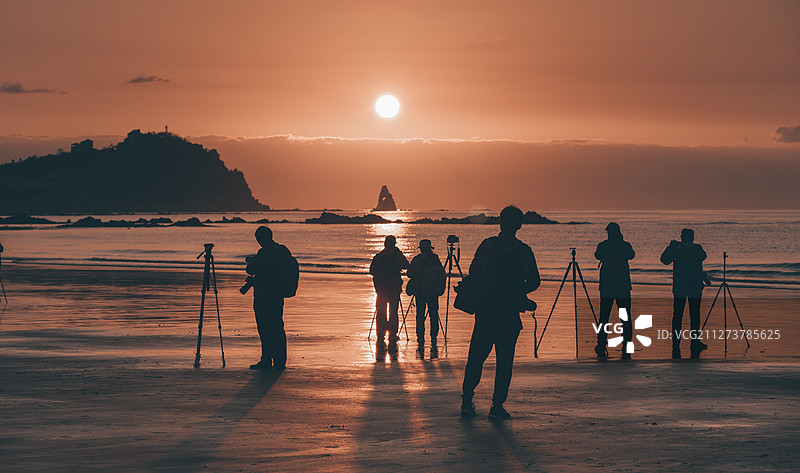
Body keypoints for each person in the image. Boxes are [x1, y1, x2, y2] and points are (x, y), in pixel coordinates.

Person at [461, 205, 540, 420]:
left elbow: (473, 272)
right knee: (505, 361)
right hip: (508, 313)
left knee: (476, 357)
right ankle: (497, 406)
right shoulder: (523, 251)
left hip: (485, 310)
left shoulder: (487, 246)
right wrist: (517, 291)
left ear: (500, 222)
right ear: (519, 226)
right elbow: (535, 281)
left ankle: (467, 401)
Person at [245, 226, 298, 371]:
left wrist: (252, 260)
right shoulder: (282, 251)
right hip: (278, 295)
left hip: (264, 296)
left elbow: (250, 269)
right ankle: (280, 362)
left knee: (264, 328)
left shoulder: (264, 253)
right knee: (277, 327)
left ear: (259, 239)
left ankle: (266, 360)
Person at [660, 228, 708, 359]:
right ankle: (694, 341)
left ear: (682, 237)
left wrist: (671, 247)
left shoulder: (677, 249)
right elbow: (703, 256)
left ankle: (676, 342)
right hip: (694, 286)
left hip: (680, 286)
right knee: (694, 315)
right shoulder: (697, 248)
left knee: (678, 315)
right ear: (692, 238)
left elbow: (664, 260)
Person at [594, 222, 635, 360]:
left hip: (607, 286)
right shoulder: (624, 245)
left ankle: (601, 343)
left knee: (604, 316)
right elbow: (631, 255)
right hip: (622, 286)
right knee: (625, 317)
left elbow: (597, 255)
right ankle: (626, 343)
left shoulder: (604, 245)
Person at [369, 236, 409, 351]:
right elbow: (406, 265)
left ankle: (380, 334)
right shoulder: (396, 257)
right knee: (393, 312)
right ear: (394, 244)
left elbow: (372, 271)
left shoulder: (379, 257)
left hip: (381, 288)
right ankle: (392, 334)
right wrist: (399, 254)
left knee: (381, 312)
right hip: (393, 288)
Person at [407, 239, 446, 345]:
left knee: (420, 314)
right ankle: (434, 336)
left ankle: (420, 336)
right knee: (433, 314)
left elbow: (409, 274)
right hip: (433, 291)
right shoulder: (435, 259)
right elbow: (441, 273)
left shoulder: (417, 259)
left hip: (419, 291)